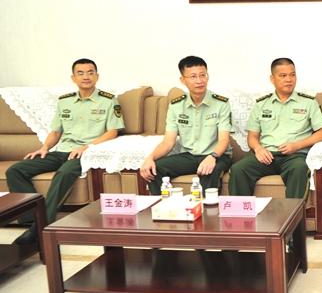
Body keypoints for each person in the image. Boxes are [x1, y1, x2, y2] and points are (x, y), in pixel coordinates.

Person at [7, 58, 124, 245]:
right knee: (16, 170)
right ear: (73, 78)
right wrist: (44, 148)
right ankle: (34, 221)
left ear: (97, 76)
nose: (86, 77)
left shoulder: (109, 100)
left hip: (86, 154)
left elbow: (113, 132)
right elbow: (55, 132)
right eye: (80, 73)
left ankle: (36, 231)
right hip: (62, 151)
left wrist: (87, 147)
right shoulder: (65, 101)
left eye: (90, 72)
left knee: (63, 174)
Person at [228, 58, 322, 198]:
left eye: (292, 75)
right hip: (267, 155)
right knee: (238, 169)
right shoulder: (261, 104)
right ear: (272, 79)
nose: (289, 79)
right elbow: (252, 136)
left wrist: (297, 145)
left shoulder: (308, 103)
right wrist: (258, 149)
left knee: (299, 168)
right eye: (283, 75)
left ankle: (294, 212)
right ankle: (242, 211)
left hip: (294, 156)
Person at [140, 56, 233, 196]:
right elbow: (168, 142)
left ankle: (207, 208)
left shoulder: (221, 104)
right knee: (155, 169)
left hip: (217, 155)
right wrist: (150, 158)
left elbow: (224, 140)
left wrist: (212, 157)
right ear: (183, 80)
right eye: (193, 76)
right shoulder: (176, 106)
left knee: (208, 171)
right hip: (189, 155)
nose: (199, 81)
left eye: (203, 75)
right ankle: (163, 206)